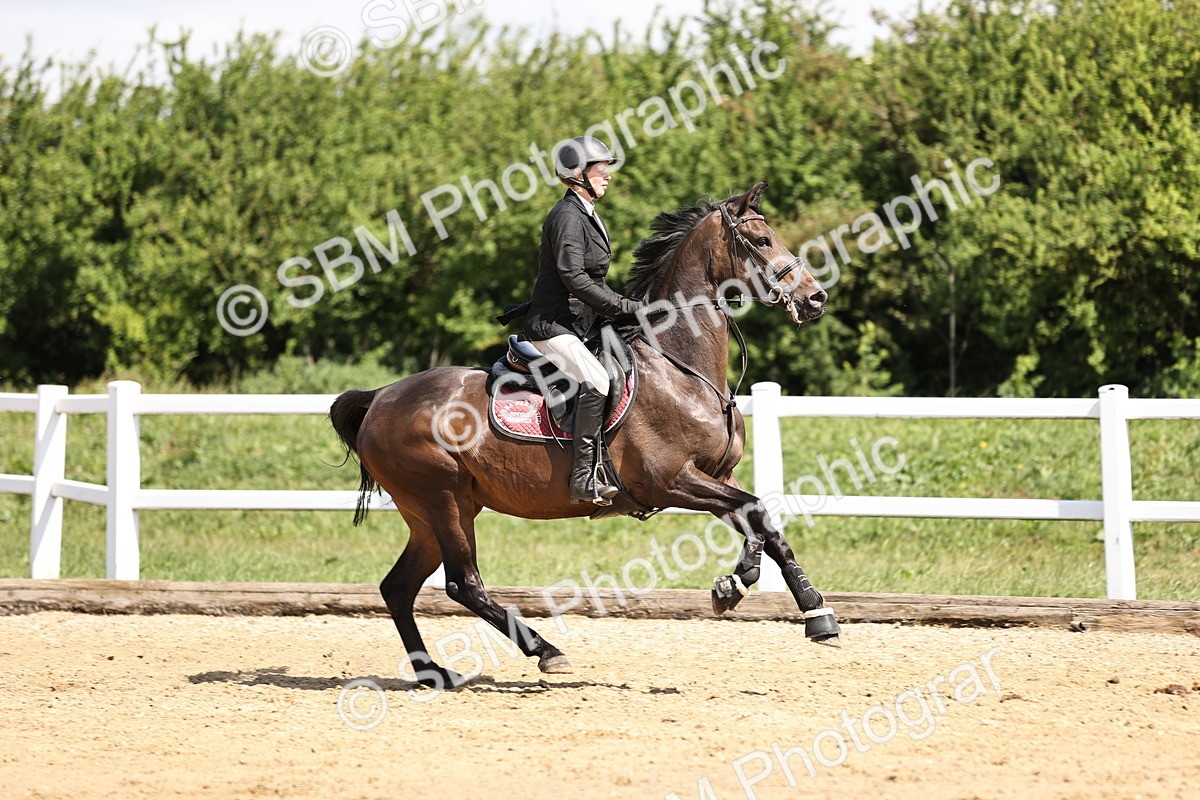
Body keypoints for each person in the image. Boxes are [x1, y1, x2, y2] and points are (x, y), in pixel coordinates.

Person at [521, 136, 644, 505]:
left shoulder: (587, 212)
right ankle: (584, 476)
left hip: (582, 323)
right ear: (578, 175)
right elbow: (574, 278)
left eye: (607, 168)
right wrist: (623, 306)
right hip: (552, 325)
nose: (607, 175)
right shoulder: (567, 217)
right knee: (598, 379)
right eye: (600, 169)